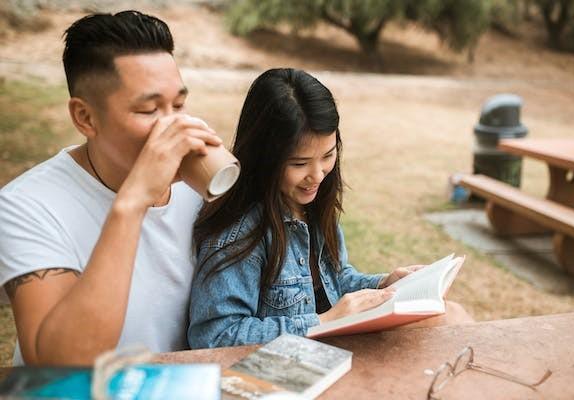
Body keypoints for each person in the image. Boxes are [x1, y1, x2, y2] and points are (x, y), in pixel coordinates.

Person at [188, 68, 471, 349]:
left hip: (332, 343)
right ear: (265, 158)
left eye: (328, 155)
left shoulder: (310, 203)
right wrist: (324, 321)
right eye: (299, 164)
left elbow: (335, 280)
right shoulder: (240, 230)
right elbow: (215, 336)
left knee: (454, 314)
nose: (318, 175)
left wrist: (384, 284)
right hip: (291, 363)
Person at [0, 10, 222, 365]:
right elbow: (57, 365)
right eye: (149, 110)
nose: (173, 126)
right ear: (85, 117)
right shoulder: (25, 206)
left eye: (178, 105)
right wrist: (133, 202)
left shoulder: (197, 188)